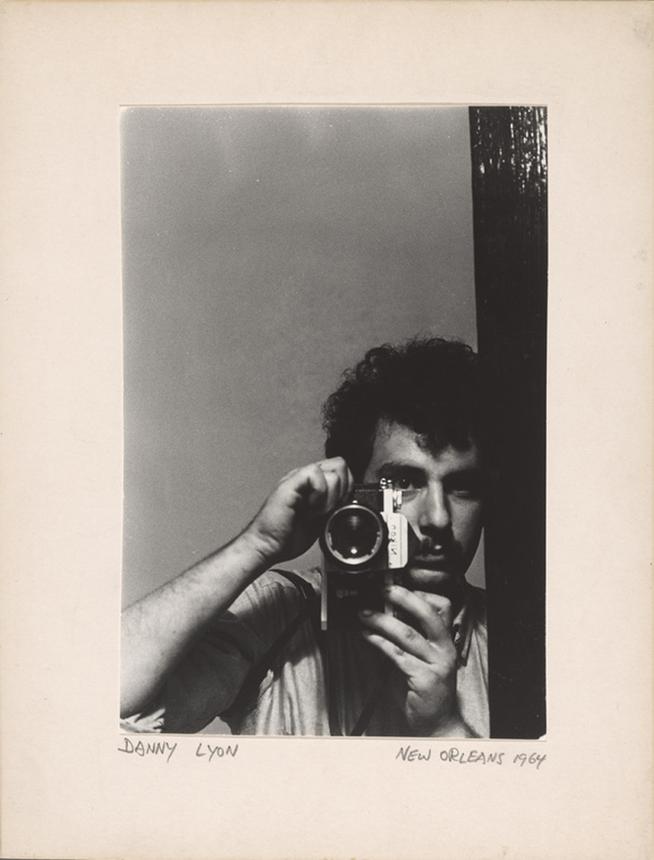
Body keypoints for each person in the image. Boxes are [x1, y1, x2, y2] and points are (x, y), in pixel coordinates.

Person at [121, 337, 489, 737]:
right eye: (403, 483)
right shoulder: (282, 612)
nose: (438, 517)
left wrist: (445, 728)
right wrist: (258, 544)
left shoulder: (519, 640)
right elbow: (96, 698)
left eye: (463, 487)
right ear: (353, 492)